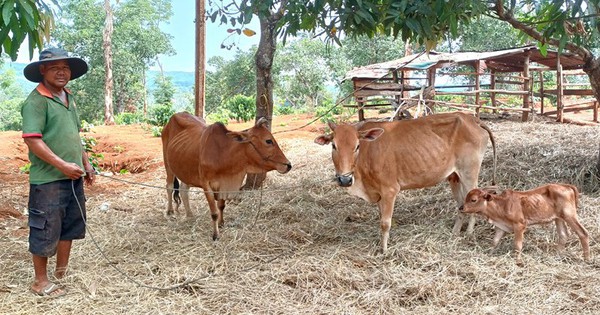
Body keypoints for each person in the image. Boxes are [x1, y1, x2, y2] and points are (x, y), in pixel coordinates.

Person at [21, 47, 95, 297]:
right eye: (55, 68)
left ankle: (62, 273)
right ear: (42, 70)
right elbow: (33, 140)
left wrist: (86, 163)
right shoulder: (36, 101)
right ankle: (40, 282)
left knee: (70, 226)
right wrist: (62, 165)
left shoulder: (69, 97)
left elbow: (74, 136)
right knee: (45, 228)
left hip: (73, 177)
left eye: (65, 67)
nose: (62, 72)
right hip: (48, 180)